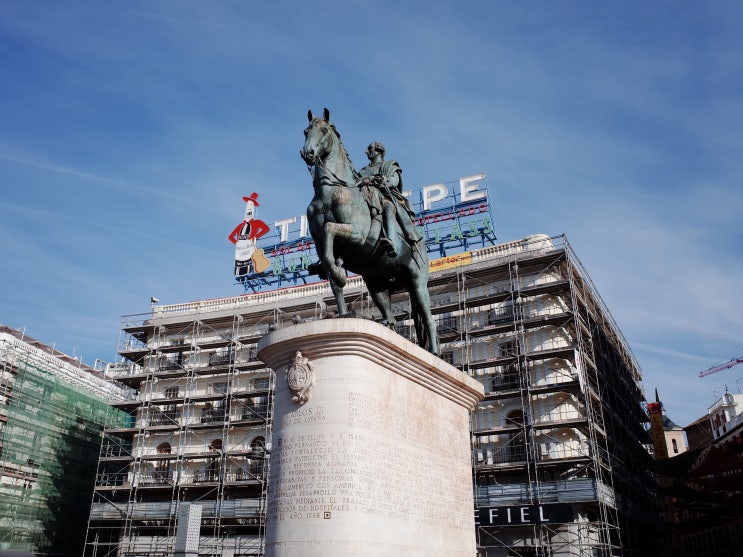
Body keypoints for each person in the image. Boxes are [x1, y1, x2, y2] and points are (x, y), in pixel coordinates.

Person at [357, 142, 421, 256]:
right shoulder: (363, 171)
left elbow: (393, 181)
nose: (367, 151)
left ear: (379, 151)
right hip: (365, 196)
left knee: (388, 206)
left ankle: (391, 241)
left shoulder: (390, 166)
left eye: (370, 149)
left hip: (385, 196)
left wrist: (374, 180)